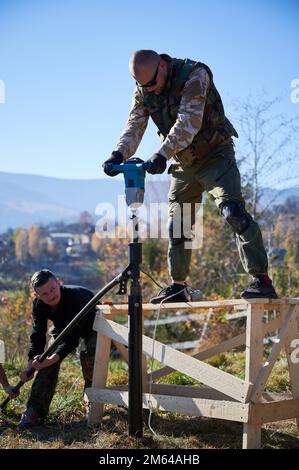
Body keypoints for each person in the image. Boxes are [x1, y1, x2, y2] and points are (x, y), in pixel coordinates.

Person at [103, 49, 277, 303]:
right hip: (184, 162)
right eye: (142, 85)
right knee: (179, 225)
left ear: (162, 66)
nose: (149, 89)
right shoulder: (143, 88)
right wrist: (118, 154)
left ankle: (262, 280)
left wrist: (161, 154)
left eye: (152, 83)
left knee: (234, 213)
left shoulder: (195, 75)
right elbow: (135, 124)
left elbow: (189, 121)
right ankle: (178, 287)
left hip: (215, 155)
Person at [19, 269, 97, 427]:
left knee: (89, 357)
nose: (50, 295)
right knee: (43, 360)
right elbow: (37, 334)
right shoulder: (39, 304)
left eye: (52, 289)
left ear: (59, 283)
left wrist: (51, 359)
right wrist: (31, 364)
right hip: (62, 328)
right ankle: (35, 409)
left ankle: (92, 401)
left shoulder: (75, 298)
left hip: (94, 326)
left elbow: (71, 339)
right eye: (44, 294)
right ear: (37, 295)